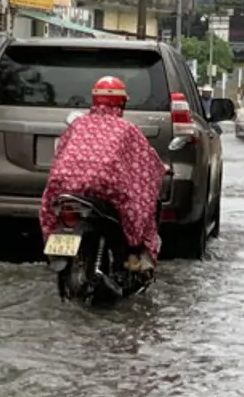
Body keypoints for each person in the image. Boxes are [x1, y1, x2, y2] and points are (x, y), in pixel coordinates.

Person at [39, 75, 166, 272]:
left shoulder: (78, 125)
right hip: (104, 189)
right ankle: (132, 256)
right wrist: (160, 169)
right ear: (122, 103)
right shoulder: (127, 129)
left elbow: (60, 154)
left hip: (63, 186)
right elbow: (145, 163)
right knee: (139, 206)